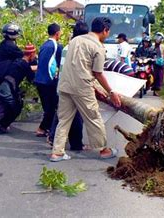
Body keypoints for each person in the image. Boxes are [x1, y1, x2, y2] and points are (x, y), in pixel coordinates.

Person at [50, 17, 122, 162]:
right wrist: (111, 92)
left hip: (65, 85)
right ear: (105, 30)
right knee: (94, 118)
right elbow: (98, 73)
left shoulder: (75, 40)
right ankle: (104, 150)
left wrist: (96, 87)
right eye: (108, 32)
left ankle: (57, 153)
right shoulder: (98, 47)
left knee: (63, 120)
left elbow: (78, 66)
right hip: (82, 87)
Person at [0, 44, 37, 137]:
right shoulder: (23, 64)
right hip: (7, 88)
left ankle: (1, 125)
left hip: (7, 86)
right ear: (31, 54)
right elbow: (31, 78)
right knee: (0, 108)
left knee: (17, 106)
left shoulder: (17, 61)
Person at [47, 21, 88, 151]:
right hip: (74, 88)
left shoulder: (66, 47)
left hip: (63, 86)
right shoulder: (80, 49)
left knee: (64, 115)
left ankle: (58, 140)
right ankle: (71, 144)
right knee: (72, 117)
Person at [34, 23, 63, 137]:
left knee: (48, 107)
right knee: (52, 107)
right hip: (48, 81)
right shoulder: (57, 46)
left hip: (39, 80)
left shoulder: (44, 45)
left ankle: (46, 128)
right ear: (57, 33)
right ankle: (42, 128)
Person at [0, 23, 24, 104]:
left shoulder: (4, 43)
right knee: (0, 102)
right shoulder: (10, 46)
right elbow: (23, 56)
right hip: (0, 77)